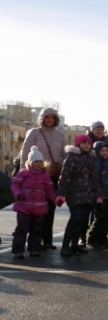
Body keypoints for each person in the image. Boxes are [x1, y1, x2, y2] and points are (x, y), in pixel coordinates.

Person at [19, 107, 66, 250]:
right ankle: (35, 241)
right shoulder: (34, 133)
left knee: (50, 209)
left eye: (52, 118)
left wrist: (63, 169)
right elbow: (25, 153)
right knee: (35, 210)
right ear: (42, 119)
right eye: (47, 117)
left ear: (56, 119)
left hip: (52, 177)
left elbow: (63, 155)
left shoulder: (60, 135)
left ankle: (47, 240)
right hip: (35, 177)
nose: (50, 120)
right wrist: (22, 173)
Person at [11, 146, 64, 258]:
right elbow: (15, 185)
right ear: (30, 162)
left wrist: (55, 199)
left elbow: (50, 190)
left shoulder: (45, 176)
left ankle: (34, 248)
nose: (38, 163)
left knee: (36, 230)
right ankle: (18, 250)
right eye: (35, 161)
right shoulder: (23, 173)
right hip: (24, 207)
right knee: (21, 230)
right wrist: (18, 194)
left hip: (39, 207)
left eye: (40, 161)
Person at [57, 134, 102, 257]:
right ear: (78, 144)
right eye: (84, 143)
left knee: (82, 221)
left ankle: (75, 245)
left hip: (88, 195)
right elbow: (64, 177)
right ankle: (65, 246)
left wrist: (98, 195)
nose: (87, 145)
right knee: (75, 219)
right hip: (74, 194)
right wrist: (60, 194)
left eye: (88, 143)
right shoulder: (72, 157)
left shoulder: (90, 157)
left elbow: (94, 178)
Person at [87, 142, 108, 249]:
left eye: (106, 150)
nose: (105, 153)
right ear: (97, 152)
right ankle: (92, 238)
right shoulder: (96, 163)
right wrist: (98, 194)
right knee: (99, 218)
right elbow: (95, 180)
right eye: (102, 151)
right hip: (101, 196)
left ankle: (103, 238)